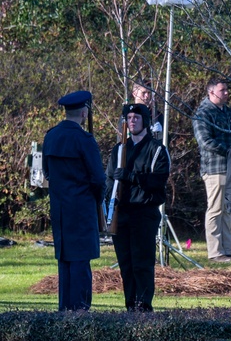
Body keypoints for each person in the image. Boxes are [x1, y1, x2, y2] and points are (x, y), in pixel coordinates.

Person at [42, 90, 106, 311]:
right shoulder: (84, 139)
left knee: (65, 263)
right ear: (84, 112)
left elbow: (47, 173)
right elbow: (98, 178)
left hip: (60, 209)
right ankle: (79, 314)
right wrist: (99, 201)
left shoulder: (51, 136)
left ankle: (64, 313)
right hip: (82, 208)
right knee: (80, 264)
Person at [105, 103, 169, 311]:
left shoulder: (157, 149)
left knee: (142, 263)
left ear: (145, 122)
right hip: (122, 213)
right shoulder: (119, 150)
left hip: (144, 213)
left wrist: (132, 177)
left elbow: (158, 180)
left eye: (136, 118)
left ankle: (143, 305)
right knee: (126, 263)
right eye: (129, 118)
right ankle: (130, 305)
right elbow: (109, 181)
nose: (132, 121)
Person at [192, 75, 231, 262]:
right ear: (211, 92)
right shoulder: (203, 113)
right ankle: (215, 252)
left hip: (229, 167)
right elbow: (206, 142)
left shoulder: (227, 112)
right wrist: (230, 151)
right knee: (216, 209)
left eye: (227, 90)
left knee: (227, 210)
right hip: (214, 168)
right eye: (222, 90)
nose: (226, 93)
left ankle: (226, 250)